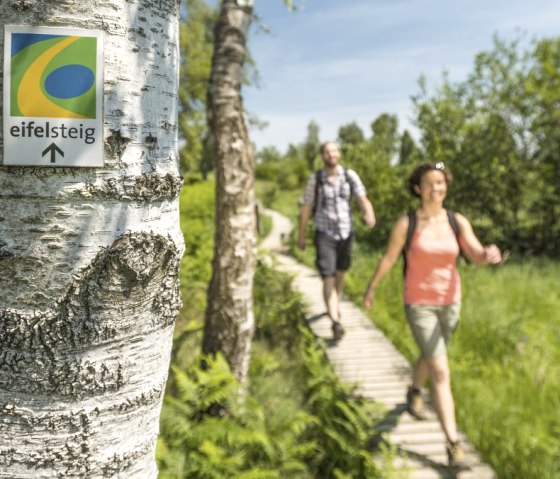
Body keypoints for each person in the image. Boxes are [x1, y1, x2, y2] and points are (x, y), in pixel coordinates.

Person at [362, 162, 503, 468]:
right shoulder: (406, 223)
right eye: (429, 183)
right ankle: (453, 445)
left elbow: (474, 254)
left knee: (431, 354)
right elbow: (389, 257)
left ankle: (414, 390)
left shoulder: (456, 220)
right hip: (419, 303)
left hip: (451, 301)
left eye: (440, 183)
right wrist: (372, 287)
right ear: (417, 188)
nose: (435, 188)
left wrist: (487, 254)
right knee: (440, 370)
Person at [299, 141, 376, 341]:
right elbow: (307, 207)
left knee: (340, 272)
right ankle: (335, 321)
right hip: (324, 233)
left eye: (334, 151)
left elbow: (362, 198)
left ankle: (334, 303)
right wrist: (301, 234)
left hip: (346, 232)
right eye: (327, 152)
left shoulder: (350, 176)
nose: (331, 154)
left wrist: (369, 213)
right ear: (321, 156)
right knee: (328, 276)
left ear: (339, 154)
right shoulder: (315, 180)